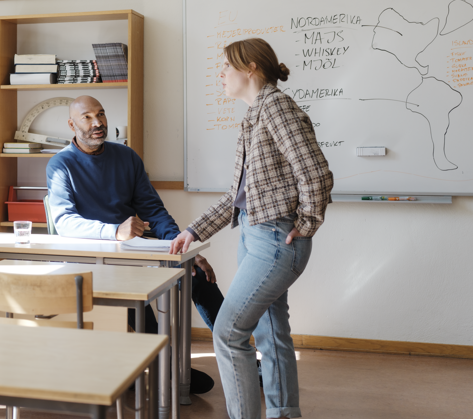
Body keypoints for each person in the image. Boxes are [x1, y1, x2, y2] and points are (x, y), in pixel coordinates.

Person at [170, 38, 333, 419]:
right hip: (256, 236)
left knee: (227, 334)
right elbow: (237, 197)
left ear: (251, 69)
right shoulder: (254, 115)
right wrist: (193, 231)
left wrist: (307, 224)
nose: (221, 74)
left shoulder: (276, 108)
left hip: (274, 241)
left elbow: (316, 173)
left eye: (226, 67)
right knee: (271, 336)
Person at [46, 95, 226, 394]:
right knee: (135, 294)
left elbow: (153, 209)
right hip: (93, 255)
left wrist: (182, 247)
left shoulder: (126, 156)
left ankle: (242, 358)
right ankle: (165, 365)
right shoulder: (60, 164)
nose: (98, 123)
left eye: (101, 114)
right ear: (72, 124)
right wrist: (114, 230)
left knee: (198, 276)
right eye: (88, 117)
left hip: (133, 249)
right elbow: (64, 222)